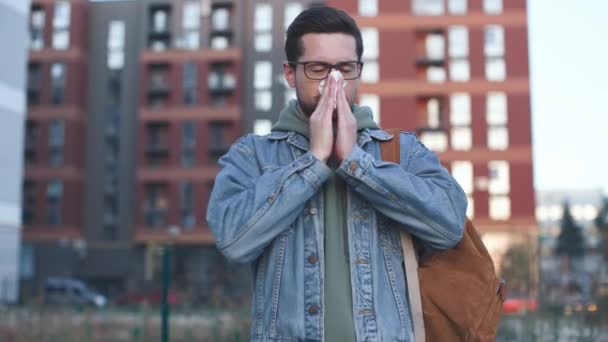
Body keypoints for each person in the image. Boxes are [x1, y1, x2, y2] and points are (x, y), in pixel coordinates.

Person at [207, 6, 467, 341]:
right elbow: (233, 240)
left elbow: (449, 226)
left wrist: (357, 163)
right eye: (318, 69)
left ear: (359, 71)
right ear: (290, 73)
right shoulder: (252, 155)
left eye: (345, 68)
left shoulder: (403, 152)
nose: (334, 82)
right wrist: (313, 162)